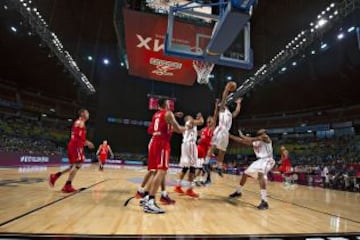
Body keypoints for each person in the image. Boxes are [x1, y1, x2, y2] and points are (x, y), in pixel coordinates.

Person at [142, 98, 185, 213]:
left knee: (156, 171)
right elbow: (178, 129)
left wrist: (174, 116)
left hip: (154, 141)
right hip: (162, 143)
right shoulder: (168, 114)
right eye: (168, 104)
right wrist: (189, 128)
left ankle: (146, 196)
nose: (170, 105)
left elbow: (165, 121)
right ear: (165, 104)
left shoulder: (156, 115)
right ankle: (150, 201)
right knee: (161, 171)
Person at [135, 111, 183, 204]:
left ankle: (161, 195)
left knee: (159, 171)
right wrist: (187, 128)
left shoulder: (158, 116)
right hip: (158, 142)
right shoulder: (163, 117)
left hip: (155, 142)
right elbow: (175, 128)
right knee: (156, 171)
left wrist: (173, 116)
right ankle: (144, 193)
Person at [49, 109, 94, 193]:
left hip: (74, 145)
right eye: (87, 113)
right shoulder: (81, 122)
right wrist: (87, 142)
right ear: (82, 114)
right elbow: (78, 137)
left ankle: (55, 176)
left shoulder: (78, 122)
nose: (88, 114)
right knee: (79, 164)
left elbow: (76, 137)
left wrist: (84, 142)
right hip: (76, 146)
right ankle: (67, 185)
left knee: (72, 166)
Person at [228, 129, 275, 210]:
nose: (262, 130)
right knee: (245, 174)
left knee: (260, 174)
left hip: (268, 159)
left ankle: (264, 201)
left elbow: (250, 139)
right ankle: (238, 192)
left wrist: (243, 136)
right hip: (259, 161)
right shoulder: (256, 141)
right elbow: (242, 141)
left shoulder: (266, 137)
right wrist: (230, 136)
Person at [207, 82, 242, 178]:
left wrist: (238, 103)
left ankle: (218, 166)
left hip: (226, 132)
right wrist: (227, 89)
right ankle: (205, 163)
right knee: (213, 146)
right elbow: (223, 98)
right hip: (220, 129)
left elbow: (236, 112)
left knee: (222, 151)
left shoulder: (229, 113)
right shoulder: (222, 108)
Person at [174, 113, 204, 197]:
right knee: (193, 166)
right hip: (190, 145)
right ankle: (189, 190)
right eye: (191, 117)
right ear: (188, 118)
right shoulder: (190, 121)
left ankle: (178, 186)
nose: (193, 118)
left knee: (185, 167)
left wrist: (199, 133)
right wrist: (200, 117)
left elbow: (195, 133)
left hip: (185, 145)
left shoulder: (188, 127)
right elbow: (201, 122)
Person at [195, 99, 219, 185]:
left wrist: (216, 106)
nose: (209, 123)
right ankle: (201, 179)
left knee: (204, 166)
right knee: (202, 166)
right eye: (208, 121)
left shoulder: (212, 129)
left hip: (207, 149)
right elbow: (196, 134)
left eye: (210, 121)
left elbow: (215, 115)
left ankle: (202, 179)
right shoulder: (203, 129)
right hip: (201, 148)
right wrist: (198, 139)